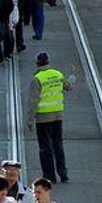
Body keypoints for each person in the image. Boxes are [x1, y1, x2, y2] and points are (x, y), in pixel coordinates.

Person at [27, 51, 71, 183]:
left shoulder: (38, 79)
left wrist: (30, 120)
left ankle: (49, 176)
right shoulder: (58, 74)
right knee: (58, 144)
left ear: (37, 63)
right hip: (58, 115)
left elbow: (33, 101)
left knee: (45, 147)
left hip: (44, 117)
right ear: (48, 61)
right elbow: (68, 86)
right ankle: (63, 173)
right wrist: (73, 76)